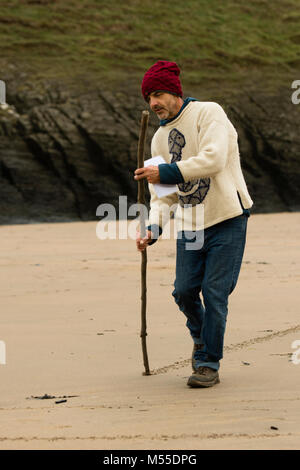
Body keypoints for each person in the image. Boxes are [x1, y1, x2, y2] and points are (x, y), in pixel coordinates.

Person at [134, 60, 253, 388]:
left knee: (215, 293)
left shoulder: (208, 113)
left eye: (158, 93)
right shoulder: (158, 140)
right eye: (148, 97)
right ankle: (202, 338)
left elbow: (214, 160)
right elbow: (163, 196)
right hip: (191, 224)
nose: (153, 102)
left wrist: (167, 172)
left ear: (175, 92)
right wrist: (153, 228)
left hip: (228, 216)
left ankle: (207, 363)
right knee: (184, 291)